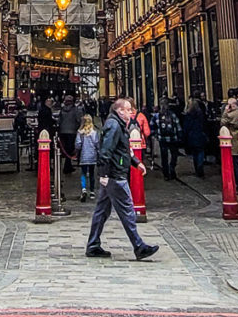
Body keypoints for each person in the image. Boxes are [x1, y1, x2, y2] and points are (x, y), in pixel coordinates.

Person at [86, 98, 159, 260]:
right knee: (127, 210)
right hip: (115, 175)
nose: (131, 112)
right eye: (127, 110)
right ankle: (139, 246)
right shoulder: (114, 125)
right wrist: (104, 174)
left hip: (112, 175)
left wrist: (136, 163)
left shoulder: (118, 124)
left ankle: (93, 245)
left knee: (101, 211)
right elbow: (106, 150)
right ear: (119, 111)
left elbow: (123, 148)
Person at [150, 99, 180, 180]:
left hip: (162, 138)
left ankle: (166, 174)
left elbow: (152, 126)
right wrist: (179, 135)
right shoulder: (172, 115)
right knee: (174, 155)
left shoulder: (156, 115)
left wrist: (155, 134)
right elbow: (178, 126)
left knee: (164, 156)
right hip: (173, 138)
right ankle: (172, 168)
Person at [221, 96, 238, 194]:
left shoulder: (230, 115)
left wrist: (226, 112)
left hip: (234, 142)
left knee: (236, 165)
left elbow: (222, 122)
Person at [75, 113, 99, 201]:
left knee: (83, 173)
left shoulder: (80, 132)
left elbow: (78, 144)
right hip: (92, 155)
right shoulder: (94, 132)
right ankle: (92, 191)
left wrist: (77, 151)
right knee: (92, 174)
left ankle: (84, 189)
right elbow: (97, 143)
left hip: (83, 155)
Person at [181, 97, 207, 178]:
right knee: (200, 152)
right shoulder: (201, 114)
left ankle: (197, 168)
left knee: (195, 153)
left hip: (191, 136)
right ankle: (200, 167)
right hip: (200, 134)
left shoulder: (187, 115)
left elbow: (186, 127)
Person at [58, 94, 81, 173]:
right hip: (72, 131)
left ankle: (67, 165)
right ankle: (67, 166)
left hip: (63, 131)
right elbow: (78, 120)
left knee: (65, 149)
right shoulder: (75, 110)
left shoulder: (62, 109)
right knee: (70, 149)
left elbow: (59, 120)